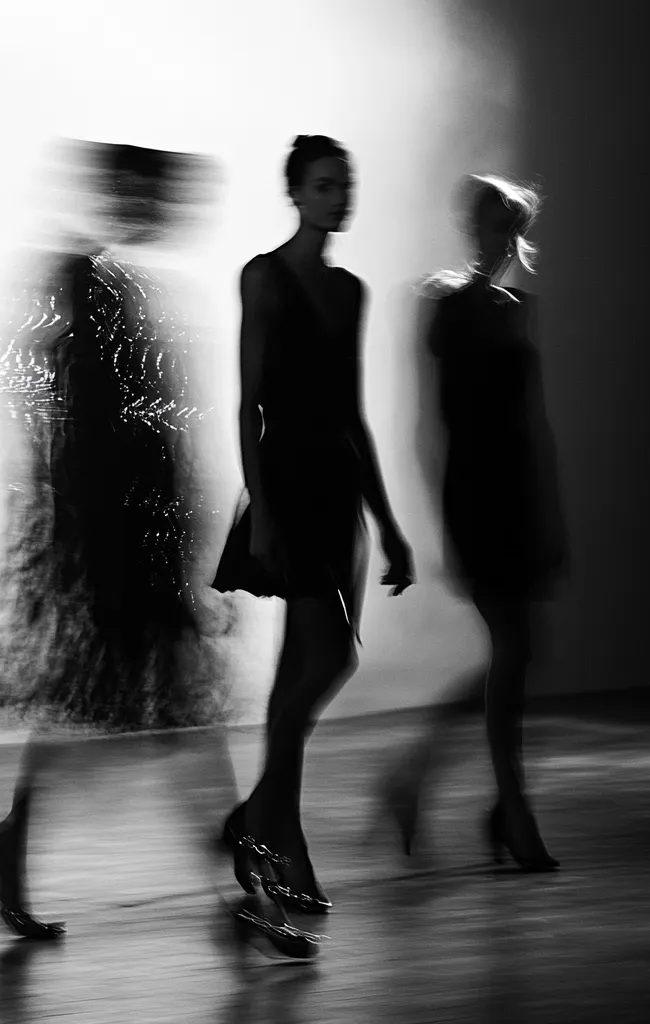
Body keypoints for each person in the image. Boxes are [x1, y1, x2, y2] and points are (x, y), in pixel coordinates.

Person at [0, 139, 223, 937]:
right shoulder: (88, 283)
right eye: (151, 196)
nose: (162, 211)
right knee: (158, 705)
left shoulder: (110, 285)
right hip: (116, 538)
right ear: (125, 198)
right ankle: (243, 880)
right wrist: (88, 533)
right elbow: (80, 420)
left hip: (131, 533)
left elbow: (116, 419)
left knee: (149, 704)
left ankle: (17, 845)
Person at [211, 135, 414, 958]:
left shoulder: (350, 290)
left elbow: (353, 413)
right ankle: (269, 827)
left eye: (346, 184)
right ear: (295, 192)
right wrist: (261, 509)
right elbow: (247, 404)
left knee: (302, 669)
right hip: (288, 492)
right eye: (326, 184)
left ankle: (270, 831)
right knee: (329, 661)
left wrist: (389, 523)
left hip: (338, 494)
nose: (341, 196)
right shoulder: (264, 277)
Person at [381, 174, 568, 871]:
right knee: (514, 648)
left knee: (522, 654)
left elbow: (535, 421)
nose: (501, 240)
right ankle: (511, 812)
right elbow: (430, 417)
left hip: (520, 495)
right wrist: (438, 511)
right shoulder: (443, 303)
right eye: (491, 226)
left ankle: (419, 780)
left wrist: (551, 508)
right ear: (472, 229)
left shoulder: (520, 307)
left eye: (511, 228)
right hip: (476, 496)